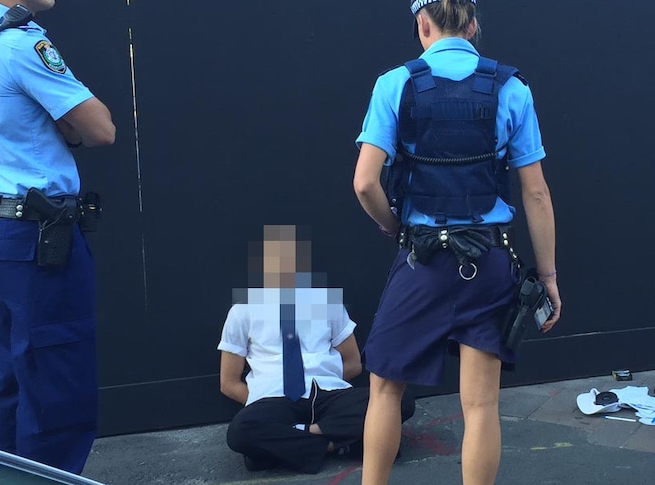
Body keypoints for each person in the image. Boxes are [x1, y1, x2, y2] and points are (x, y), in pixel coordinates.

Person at [352, 1, 561, 484]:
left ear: (422, 24)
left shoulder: (395, 84)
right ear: (471, 25)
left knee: (385, 391)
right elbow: (536, 192)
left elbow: (365, 184)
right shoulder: (511, 87)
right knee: (481, 404)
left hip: (421, 258)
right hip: (487, 259)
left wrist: (393, 227)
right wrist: (548, 277)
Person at [0, 0, 115, 475]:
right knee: (55, 388)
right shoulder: (24, 45)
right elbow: (100, 128)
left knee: (15, 383)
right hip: (38, 239)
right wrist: (69, 125)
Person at [218, 225, 415, 474]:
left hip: (327, 394)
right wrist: (260, 401)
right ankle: (344, 443)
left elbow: (353, 363)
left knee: (399, 400)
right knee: (240, 431)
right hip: (274, 398)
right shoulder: (242, 311)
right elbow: (228, 382)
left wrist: (325, 382)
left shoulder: (327, 302)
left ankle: (294, 443)